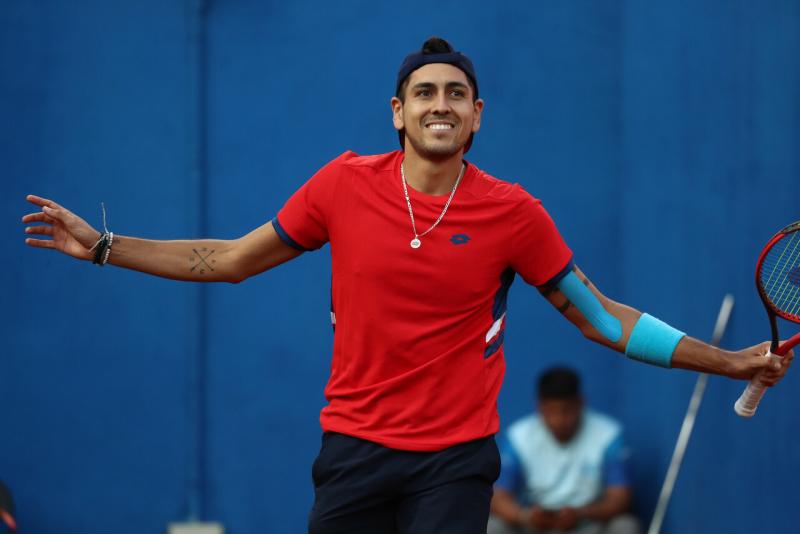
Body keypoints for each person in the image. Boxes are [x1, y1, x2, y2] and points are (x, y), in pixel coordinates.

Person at [21, 37, 792, 534]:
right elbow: (227, 258)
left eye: (456, 95)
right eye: (425, 93)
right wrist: (104, 247)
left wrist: (727, 361)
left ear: (477, 116)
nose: (440, 105)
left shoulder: (514, 214)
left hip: (455, 460)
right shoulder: (342, 186)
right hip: (353, 449)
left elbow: (601, 318)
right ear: (398, 111)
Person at [488, 367, 639, 534]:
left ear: (580, 403)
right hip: (536, 526)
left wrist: (582, 514)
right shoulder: (519, 437)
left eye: (566, 410)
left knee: (625, 525)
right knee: (493, 527)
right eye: (551, 411)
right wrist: (527, 516)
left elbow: (620, 498)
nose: (559, 420)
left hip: (588, 524)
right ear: (540, 407)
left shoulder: (608, 435)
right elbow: (499, 497)